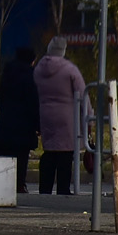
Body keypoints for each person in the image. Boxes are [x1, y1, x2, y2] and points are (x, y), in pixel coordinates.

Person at [33, 37, 88, 195]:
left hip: (46, 114)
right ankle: (63, 189)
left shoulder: (39, 69)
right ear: (63, 51)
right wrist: (89, 115)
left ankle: (45, 188)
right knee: (65, 152)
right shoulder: (69, 69)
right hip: (66, 116)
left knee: (49, 151)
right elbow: (83, 93)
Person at [0, 47, 38, 193]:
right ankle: (19, 184)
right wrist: (38, 124)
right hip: (24, 124)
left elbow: (0, 98)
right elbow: (33, 102)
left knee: (5, 153)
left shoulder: (7, 74)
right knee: (22, 156)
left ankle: (2, 184)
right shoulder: (30, 76)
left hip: (7, 121)